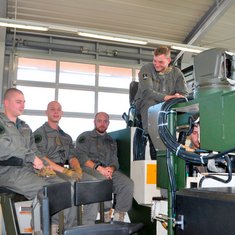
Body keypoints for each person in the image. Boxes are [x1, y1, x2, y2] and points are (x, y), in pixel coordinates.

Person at [0, 88, 77, 234]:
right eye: (18, 102)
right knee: (45, 192)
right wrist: (32, 158)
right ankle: (39, 230)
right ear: (6, 103)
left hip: (29, 171)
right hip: (8, 172)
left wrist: (45, 166)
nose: (22, 105)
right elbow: (5, 147)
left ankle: (59, 228)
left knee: (66, 187)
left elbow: (36, 152)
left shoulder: (24, 127)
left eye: (23, 102)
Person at [33, 101, 99, 225]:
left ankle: (87, 225)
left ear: (62, 113)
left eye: (58, 109)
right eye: (52, 109)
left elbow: (72, 156)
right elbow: (42, 158)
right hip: (49, 171)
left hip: (66, 170)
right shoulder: (39, 134)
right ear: (46, 112)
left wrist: (77, 169)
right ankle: (63, 226)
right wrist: (66, 171)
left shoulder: (66, 137)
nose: (56, 112)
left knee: (93, 183)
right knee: (70, 185)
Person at [76, 112, 134, 222]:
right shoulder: (85, 137)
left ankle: (118, 217)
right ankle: (105, 212)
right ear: (94, 122)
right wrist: (99, 168)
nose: (102, 124)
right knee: (102, 180)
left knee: (127, 184)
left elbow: (115, 161)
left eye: (105, 121)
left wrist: (111, 169)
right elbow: (80, 157)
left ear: (108, 123)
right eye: (99, 121)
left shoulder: (111, 141)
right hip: (89, 170)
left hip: (107, 171)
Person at [134, 45, 188, 159]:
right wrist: (168, 97)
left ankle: (181, 141)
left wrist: (178, 97)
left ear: (169, 60)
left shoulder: (177, 73)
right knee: (151, 102)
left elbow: (183, 93)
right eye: (155, 61)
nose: (157, 64)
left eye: (160, 62)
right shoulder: (146, 69)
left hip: (168, 105)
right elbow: (147, 92)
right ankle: (154, 141)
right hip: (146, 103)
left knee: (189, 105)